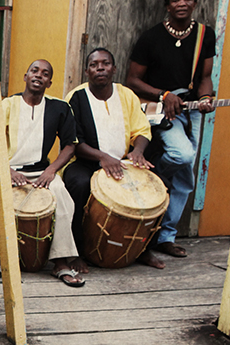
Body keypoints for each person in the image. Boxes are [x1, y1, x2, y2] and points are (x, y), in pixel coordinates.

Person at [125, 0, 216, 261]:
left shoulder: (204, 35)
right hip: (160, 109)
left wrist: (207, 98)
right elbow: (132, 80)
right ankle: (155, 175)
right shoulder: (151, 38)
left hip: (190, 108)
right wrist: (163, 95)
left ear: (195, 3)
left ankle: (166, 236)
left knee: (187, 178)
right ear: (167, 5)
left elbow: (204, 78)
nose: (182, 3)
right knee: (183, 155)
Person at [0, 59, 84, 287]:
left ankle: (61, 262)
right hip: (7, 169)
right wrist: (7, 170)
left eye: (45, 73)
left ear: (49, 82)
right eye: (34, 70)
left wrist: (52, 169)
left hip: (41, 172)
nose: (39, 75)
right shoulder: (6, 105)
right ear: (25, 76)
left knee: (62, 196)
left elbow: (70, 145)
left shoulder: (59, 108)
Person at [62, 48, 161, 270]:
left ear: (114, 69)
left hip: (123, 162)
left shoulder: (126, 95)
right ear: (87, 70)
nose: (100, 68)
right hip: (86, 162)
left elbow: (142, 129)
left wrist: (137, 152)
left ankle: (144, 249)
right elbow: (74, 141)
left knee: (159, 186)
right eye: (95, 65)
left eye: (105, 64)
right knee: (77, 185)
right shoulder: (76, 97)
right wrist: (102, 157)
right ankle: (74, 251)